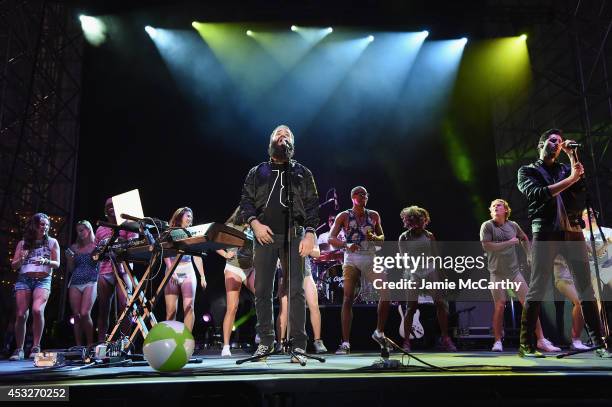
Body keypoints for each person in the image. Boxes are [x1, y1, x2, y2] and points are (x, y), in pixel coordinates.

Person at [517, 128, 610, 358]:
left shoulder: (564, 168)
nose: (557, 143)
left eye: (560, 141)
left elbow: (579, 191)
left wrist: (572, 157)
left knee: (586, 287)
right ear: (541, 144)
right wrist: (570, 179)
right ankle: (526, 344)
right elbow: (537, 194)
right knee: (537, 287)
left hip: (572, 231)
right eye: (552, 140)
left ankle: (599, 343)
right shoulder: (527, 171)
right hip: (546, 231)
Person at [238, 124, 319, 364]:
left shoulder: (302, 172)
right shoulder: (257, 171)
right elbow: (246, 202)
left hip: (294, 235)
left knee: (296, 291)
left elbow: (313, 205)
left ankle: (299, 346)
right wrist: (255, 224)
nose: (283, 135)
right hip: (265, 236)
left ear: (293, 144)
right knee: (262, 290)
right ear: (270, 142)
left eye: (288, 134)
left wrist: (310, 234)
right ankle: (265, 342)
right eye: (278, 133)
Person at [480, 199, 560, 352]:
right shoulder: (487, 225)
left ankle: (541, 340)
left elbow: (523, 238)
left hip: (513, 272)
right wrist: (510, 242)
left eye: (499, 205)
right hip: (496, 273)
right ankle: (497, 341)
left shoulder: (513, 225)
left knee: (529, 304)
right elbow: (486, 245)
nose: (496, 207)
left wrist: (529, 255)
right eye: (493, 206)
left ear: (506, 210)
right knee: (500, 304)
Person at [328, 186, 389, 355]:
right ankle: (346, 343)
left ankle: (379, 332)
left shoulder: (374, 215)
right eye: (360, 194)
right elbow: (331, 238)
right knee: (348, 298)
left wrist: (375, 238)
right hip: (351, 260)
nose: (364, 197)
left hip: (370, 258)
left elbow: (382, 239)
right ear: (353, 197)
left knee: (386, 293)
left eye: (366, 194)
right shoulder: (344, 215)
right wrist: (346, 245)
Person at [399, 205, 457, 352]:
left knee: (440, 304)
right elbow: (404, 260)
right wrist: (412, 275)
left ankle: (445, 338)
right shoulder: (404, 237)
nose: (418, 222)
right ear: (409, 221)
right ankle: (406, 342)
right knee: (411, 307)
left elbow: (436, 257)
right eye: (413, 219)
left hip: (430, 269)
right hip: (413, 271)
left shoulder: (429, 236)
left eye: (421, 219)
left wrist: (442, 276)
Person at [553, 208, 612, 349]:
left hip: (600, 270)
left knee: (592, 302)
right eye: (587, 213)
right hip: (567, 276)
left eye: (593, 213)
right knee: (585, 302)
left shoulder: (606, 231)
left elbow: (593, 252)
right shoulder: (567, 236)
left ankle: (598, 337)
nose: (591, 215)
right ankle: (579, 339)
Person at [9, 213, 60, 360]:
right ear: (34, 226)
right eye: (41, 224)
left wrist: (46, 261)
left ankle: (36, 346)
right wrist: (22, 257)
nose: (44, 227)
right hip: (24, 279)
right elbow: (14, 265)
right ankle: (19, 349)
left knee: (37, 310)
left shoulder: (52, 242)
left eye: (46, 224)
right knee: (20, 314)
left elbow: (57, 264)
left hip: (43, 280)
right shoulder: (23, 243)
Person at [95, 198, 137, 342]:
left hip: (124, 270)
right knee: (103, 308)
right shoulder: (100, 229)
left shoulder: (127, 225)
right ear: (105, 210)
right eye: (107, 205)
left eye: (113, 205)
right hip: (104, 271)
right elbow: (95, 252)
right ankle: (101, 342)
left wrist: (121, 243)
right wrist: (100, 250)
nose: (110, 207)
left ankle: (125, 341)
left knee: (125, 306)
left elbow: (135, 243)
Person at [277, 243, 328, 354]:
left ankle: (318, 341)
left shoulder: (308, 231)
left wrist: (305, 246)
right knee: (284, 309)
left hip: (305, 271)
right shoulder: (284, 230)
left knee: (314, 306)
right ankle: (280, 343)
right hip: (286, 272)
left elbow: (317, 253)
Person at [218, 208, 255, 357]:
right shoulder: (231, 227)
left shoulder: (255, 227)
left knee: (264, 298)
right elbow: (215, 241)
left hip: (251, 268)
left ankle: (261, 333)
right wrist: (225, 253)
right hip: (234, 268)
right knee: (232, 307)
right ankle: (226, 346)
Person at [164, 207, 206, 332]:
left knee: (189, 307)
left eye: (191, 216)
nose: (190, 218)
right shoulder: (170, 232)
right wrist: (172, 272)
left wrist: (202, 276)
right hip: (172, 271)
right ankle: (170, 340)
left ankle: (187, 340)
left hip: (188, 271)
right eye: (187, 215)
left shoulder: (193, 233)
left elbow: (197, 257)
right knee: (171, 310)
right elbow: (165, 253)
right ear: (180, 217)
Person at [66, 220, 99, 347]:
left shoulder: (96, 246)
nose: (80, 233)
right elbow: (71, 269)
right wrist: (70, 259)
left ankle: (90, 344)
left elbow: (100, 265)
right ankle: (79, 346)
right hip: (75, 281)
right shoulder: (74, 247)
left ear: (89, 230)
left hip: (91, 280)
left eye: (82, 230)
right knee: (77, 315)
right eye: (78, 231)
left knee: (85, 313)